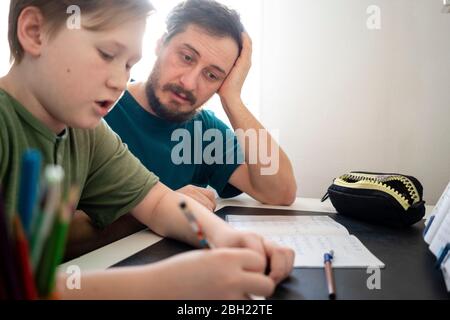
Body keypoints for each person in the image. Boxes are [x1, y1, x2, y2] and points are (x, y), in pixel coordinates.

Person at [0, 0, 294, 299]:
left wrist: (229, 239)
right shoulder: (87, 114)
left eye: (128, 64)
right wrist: (166, 283)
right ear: (35, 32)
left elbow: (158, 203)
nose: (119, 80)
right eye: (106, 54)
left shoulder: (87, 129)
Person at [104, 0, 297, 212]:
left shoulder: (204, 131)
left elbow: (281, 191)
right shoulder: (100, 107)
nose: (189, 83)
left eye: (212, 75)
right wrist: (160, 206)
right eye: (186, 57)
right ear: (160, 43)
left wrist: (232, 99)